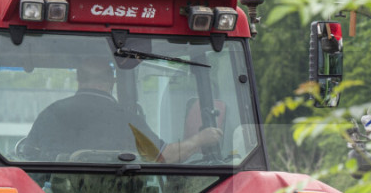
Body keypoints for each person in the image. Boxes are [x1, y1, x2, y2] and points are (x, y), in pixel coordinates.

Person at [24, 57, 222, 162]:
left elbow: (28, 157)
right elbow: (164, 157)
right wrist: (200, 139)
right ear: (112, 81)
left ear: (79, 79)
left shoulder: (51, 114)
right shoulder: (128, 120)